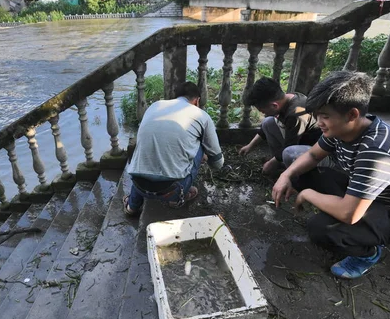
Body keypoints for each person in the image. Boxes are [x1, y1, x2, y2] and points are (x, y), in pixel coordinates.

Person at [273, 71, 390, 279]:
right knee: (299, 174)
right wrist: (286, 176)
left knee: (320, 229)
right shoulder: (342, 129)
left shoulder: (375, 152)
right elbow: (312, 154)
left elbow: (350, 214)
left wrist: (308, 194)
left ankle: (369, 254)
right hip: (369, 195)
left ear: (352, 114)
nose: (319, 122)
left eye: (325, 116)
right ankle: (339, 215)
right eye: (318, 115)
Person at [123, 81, 224, 216]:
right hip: (172, 189)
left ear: (175, 97)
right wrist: (205, 155)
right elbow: (218, 163)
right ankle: (176, 200)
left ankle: (132, 206)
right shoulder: (201, 115)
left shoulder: (155, 106)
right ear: (197, 101)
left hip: (138, 183)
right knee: (199, 145)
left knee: (146, 155)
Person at [239, 77, 321, 174]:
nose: (263, 113)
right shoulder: (287, 98)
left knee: (288, 153)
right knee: (268, 122)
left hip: (314, 150)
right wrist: (250, 146)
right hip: (299, 139)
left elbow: (290, 145)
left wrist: (272, 162)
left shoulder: (295, 114)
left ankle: (295, 177)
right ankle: (281, 162)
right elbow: (264, 130)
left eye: (263, 110)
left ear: (274, 105)